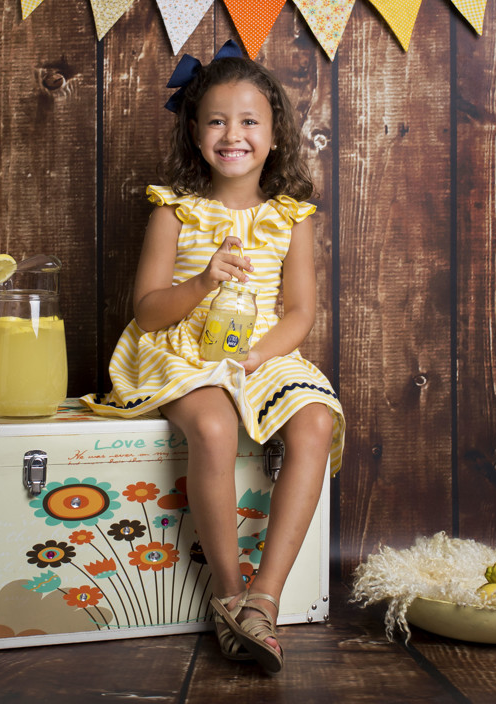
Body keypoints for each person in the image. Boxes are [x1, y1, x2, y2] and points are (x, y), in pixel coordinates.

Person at [82, 41, 345, 673]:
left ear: (275, 134)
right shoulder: (174, 210)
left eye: (250, 121)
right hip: (177, 346)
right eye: (218, 121)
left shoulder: (292, 216)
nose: (234, 135)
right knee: (214, 424)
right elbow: (146, 310)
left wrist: (258, 357)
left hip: (259, 351)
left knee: (314, 420)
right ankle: (228, 593)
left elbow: (301, 314)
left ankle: (264, 600)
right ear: (196, 133)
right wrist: (202, 282)